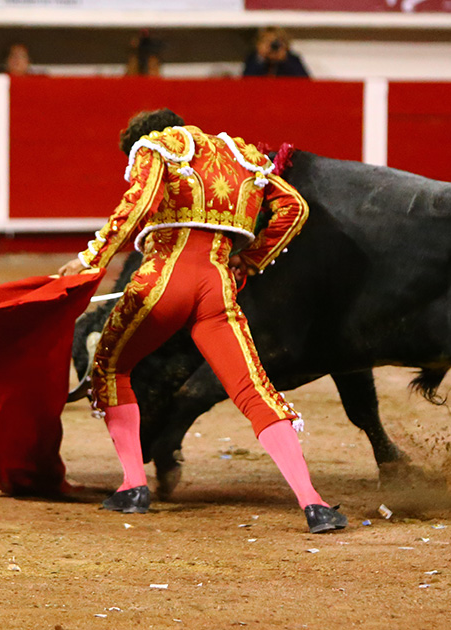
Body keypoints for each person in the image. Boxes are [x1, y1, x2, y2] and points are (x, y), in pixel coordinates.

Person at [57, 109, 346, 534]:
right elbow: (293, 208)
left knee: (110, 365)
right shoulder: (243, 156)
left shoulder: (157, 146)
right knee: (253, 390)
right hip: (217, 285)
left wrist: (89, 262)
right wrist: (249, 261)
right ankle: (313, 503)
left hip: (163, 279)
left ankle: (134, 486)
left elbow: (136, 205)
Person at [243, 27, 310, 78]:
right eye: (266, 41)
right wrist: (261, 57)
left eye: (275, 42)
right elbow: (245, 81)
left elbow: (305, 82)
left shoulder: (292, 59)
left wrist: (285, 59)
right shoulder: (254, 59)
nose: (272, 47)